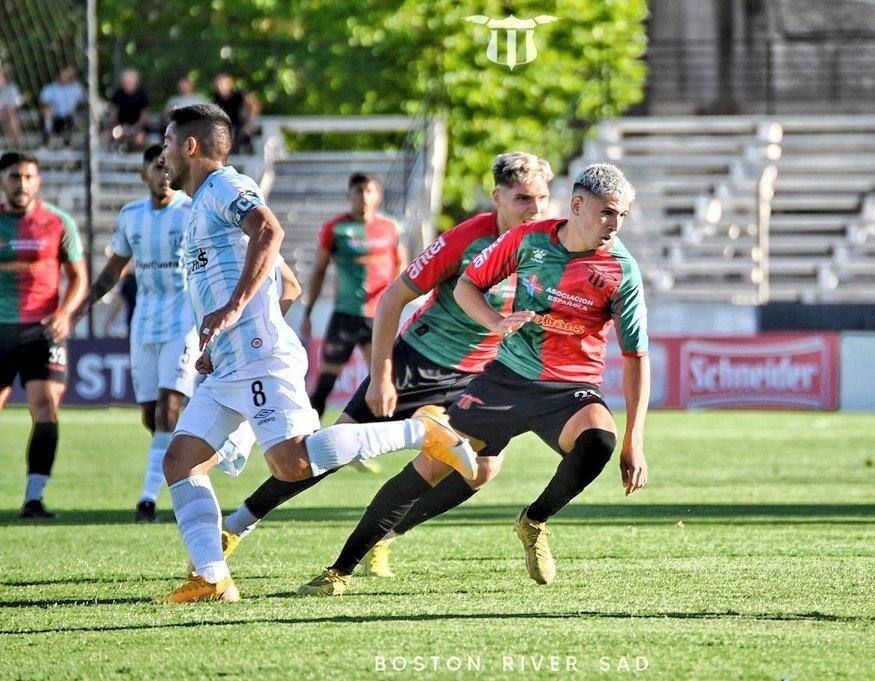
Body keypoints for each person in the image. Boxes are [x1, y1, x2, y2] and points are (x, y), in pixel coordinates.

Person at [154, 104, 476, 603]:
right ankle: (213, 578)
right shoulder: (201, 207)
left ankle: (424, 431)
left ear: (190, 147)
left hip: (259, 361)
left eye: (169, 143)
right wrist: (229, 337)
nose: (163, 155)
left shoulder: (221, 185)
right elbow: (288, 283)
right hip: (233, 363)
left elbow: (269, 230)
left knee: (293, 464)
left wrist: (237, 313)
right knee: (180, 461)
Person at [299, 163, 650, 595]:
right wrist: (496, 323)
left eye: (622, 216)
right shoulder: (527, 240)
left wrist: (635, 439)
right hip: (506, 379)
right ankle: (340, 570)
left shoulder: (621, 270)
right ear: (578, 205)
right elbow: (469, 284)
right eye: (608, 212)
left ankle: (534, 520)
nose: (615, 225)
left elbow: (636, 356)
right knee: (432, 466)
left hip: (570, 389)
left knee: (600, 441)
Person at [218, 152, 553, 579]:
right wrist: (381, 376)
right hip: (422, 362)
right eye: (524, 198)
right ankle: (237, 525)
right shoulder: (464, 239)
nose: (536, 209)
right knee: (332, 451)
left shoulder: (548, 245)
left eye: (542, 198)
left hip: (480, 374)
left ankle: (385, 535)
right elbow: (393, 298)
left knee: (481, 469)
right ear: (497, 198)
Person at [0, 152, 88, 518]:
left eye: (28, 177)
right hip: (1, 329)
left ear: (38, 182)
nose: (21, 183)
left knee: (46, 407)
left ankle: (34, 498)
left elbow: (78, 276)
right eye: (14, 176)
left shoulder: (57, 221)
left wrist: (65, 313)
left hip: (42, 329)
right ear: (2, 181)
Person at [302, 173, 406, 419]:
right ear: (349, 194)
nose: (364, 197)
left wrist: (396, 304)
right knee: (325, 384)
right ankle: (306, 439)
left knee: (382, 382)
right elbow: (319, 270)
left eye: (369, 191)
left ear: (378, 195)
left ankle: (372, 439)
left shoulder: (391, 228)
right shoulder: (336, 228)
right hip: (345, 316)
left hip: (379, 317)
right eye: (358, 191)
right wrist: (308, 312)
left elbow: (402, 266)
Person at [104, 69, 149, 152]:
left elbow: (144, 115)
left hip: (137, 127)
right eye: (126, 81)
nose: (128, 84)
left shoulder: (142, 94)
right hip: (120, 126)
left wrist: (135, 127)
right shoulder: (118, 94)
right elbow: (112, 112)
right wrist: (118, 126)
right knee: (107, 135)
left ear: (136, 82)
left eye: (131, 81)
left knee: (139, 140)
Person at [39, 66, 85, 148]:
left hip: (69, 118)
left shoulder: (76, 88)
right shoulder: (49, 88)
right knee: (45, 114)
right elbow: (45, 104)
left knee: (70, 118)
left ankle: (66, 145)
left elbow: (85, 101)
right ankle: (46, 143)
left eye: (67, 74)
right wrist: (48, 110)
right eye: (63, 74)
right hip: (54, 118)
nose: (65, 76)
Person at [211, 73, 248, 153]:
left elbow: (250, 107)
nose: (222, 85)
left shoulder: (238, 96)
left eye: (225, 82)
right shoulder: (216, 97)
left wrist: (248, 125)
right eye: (220, 83)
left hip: (238, 128)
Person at [0, 70, 24, 147]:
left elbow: (15, 105)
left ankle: (16, 144)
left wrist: (5, 112)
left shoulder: (12, 89)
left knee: (12, 116)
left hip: (8, 114)